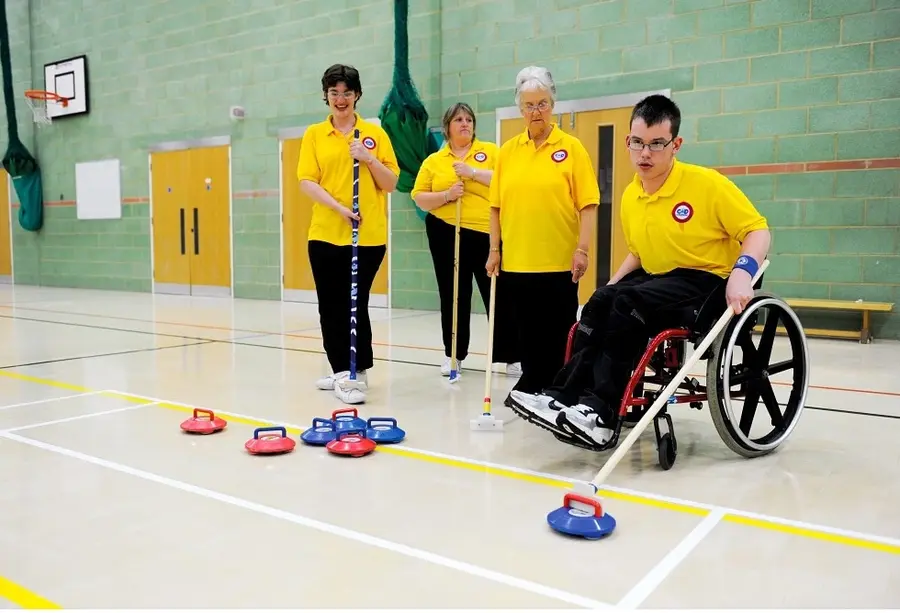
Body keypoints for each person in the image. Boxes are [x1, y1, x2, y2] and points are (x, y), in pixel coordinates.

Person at [508, 94, 771, 450]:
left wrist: (743, 273)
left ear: (675, 144)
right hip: (661, 279)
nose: (644, 154)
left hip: (707, 280)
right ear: (628, 142)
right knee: (603, 299)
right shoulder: (632, 195)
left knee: (628, 301)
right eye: (637, 143)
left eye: (656, 144)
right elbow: (638, 253)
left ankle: (601, 412)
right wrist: (610, 285)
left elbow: (757, 230)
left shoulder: (706, 184)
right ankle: (563, 395)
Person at [487, 66, 599, 398]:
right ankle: (531, 378)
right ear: (520, 109)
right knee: (526, 327)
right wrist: (495, 250)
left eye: (543, 104)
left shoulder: (572, 148)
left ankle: (558, 384)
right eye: (529, 105)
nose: (536, 111)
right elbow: (495, 206)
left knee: (559, 328)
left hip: (558, 259)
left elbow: (588, 204)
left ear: (552, 104)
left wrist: (583, 249)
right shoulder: (507, 152)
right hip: (518, 259)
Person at [296, 63, 400, 404]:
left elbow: (391, 183)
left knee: (356, 302)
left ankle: (357, 368)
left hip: (367, 237)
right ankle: (342, 368)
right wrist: (339, 208)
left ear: (357, 95)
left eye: (347, 93)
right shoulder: (314, 134)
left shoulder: (374, 134)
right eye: (334, 93)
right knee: (331, 303)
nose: (341, 99)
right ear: (325, 96)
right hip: (326, 232)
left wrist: (369, 159)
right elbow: (307, 181)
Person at [411, 102, 520, 377]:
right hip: (446, 231)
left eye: (469, 119)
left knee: (497, 292)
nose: (465, 124)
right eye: (458, 119)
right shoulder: (435, 161)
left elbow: (505, 182)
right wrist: (447, 195)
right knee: (453, 293)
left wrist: (472, 174)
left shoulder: (490, 152)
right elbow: (419, 197)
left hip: (486, 232)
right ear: (448, 126)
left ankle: (508, 356)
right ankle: (454, 355)